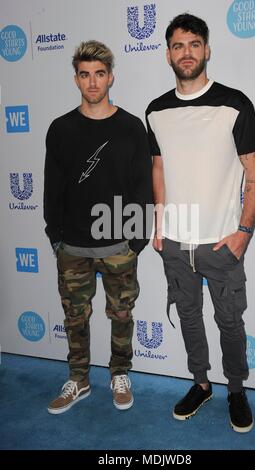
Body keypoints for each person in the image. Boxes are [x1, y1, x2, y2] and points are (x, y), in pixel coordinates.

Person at [146, 14, 255, 433]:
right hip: (176, 242)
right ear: (168, 54)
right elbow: (158, 169)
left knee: (230, 322)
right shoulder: (156, 110)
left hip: (221, 242)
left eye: (194, 44)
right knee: (189, 317)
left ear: (207, 50)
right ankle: (201, 383)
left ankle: (236, 389)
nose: (186, 53)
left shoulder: (235, 104)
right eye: (178, 46)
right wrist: (158, 223)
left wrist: (243, 233)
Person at [44, 40, 152, 414]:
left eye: (99, 74)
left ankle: (119, 373)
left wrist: (137, 239)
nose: (92, 83)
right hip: (72, 247)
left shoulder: (131, 127)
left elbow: (143, 186)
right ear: (76, 79)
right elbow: (51, 187)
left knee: (122, 314)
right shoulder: (60, 129)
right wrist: (55, 237)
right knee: (75, 317)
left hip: (119, 245)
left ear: (111, 78)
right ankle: (79, 379)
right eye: (85, 75)